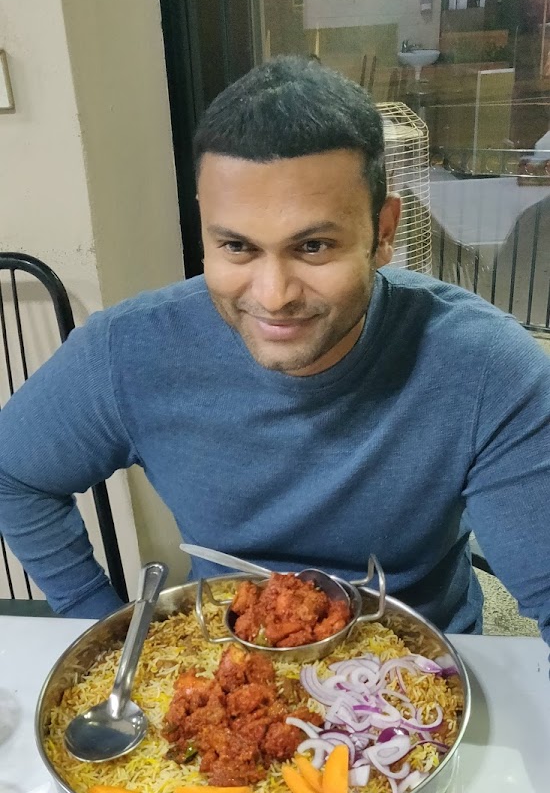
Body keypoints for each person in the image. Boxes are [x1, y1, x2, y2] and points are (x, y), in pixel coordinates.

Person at [0, 56, 549, 645]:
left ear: (384, 232)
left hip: (423, 667)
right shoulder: (128, 351)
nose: (273, 296)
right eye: (237, 246)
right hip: (221, 659)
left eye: (313, 246)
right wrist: (98, 626)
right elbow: (13, 474)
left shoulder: (488, 368)